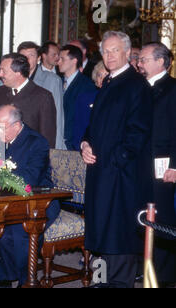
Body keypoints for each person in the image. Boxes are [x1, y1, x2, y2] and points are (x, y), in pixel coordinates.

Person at [81, 31, 153, 288]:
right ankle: (104, 282)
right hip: (102, 171)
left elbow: (139, 132)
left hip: (123, 174)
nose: (109, 56)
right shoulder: (109, 83)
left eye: (114, 51)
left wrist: (115, 161)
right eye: (105, 51)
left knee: (119, 232)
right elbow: (95, 126)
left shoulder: (136, 85)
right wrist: (85, 143)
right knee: (103, 229)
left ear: (127, 53)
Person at [0, 104, 59, 288]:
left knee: (12, 232)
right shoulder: (0, 140)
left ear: (16, 125)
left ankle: (25, 281)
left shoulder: (36, 142)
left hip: (37, 202)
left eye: (0, 127)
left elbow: (30, 179)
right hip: (4, 200)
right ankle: (0, 276)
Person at [137, 42, 176, 287]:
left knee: (161, 216)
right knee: (143, 215)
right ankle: (146, 266)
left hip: (165, 164)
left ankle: (164, 275)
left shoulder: (173, 89)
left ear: (161, 61)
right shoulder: (139, 87)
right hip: (139, 164)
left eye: (143, 59)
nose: (139, 64)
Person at [0, 53, 56, 148]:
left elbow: (47, 138)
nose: (0, 74)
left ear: (18, 73)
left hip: (28, 158)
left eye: (3, 71)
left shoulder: (43, 97)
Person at [17, 41, 64, 149]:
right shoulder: (9, 79)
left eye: (31, 55)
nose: (27, 59)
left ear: (38, 58)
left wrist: (56, 148)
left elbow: (58, 117)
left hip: (40, 140)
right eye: (23, 56)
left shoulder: (52, 80)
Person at [57, 44, 96, 150]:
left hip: (74, 144)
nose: (58, 62)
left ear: (74, 61)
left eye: (62, 59)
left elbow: (86, 120)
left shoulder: (87, 86)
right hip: (57, 141)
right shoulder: (57, 82)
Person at [71, 61, 107, 151]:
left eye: (106, 75)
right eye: (99, 75)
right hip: (85, 148)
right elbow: (78, 126)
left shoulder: (118, 99)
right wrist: (81, 146)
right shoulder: (85, 98)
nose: (102, 79)